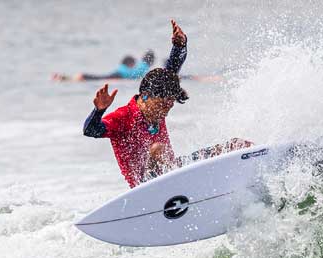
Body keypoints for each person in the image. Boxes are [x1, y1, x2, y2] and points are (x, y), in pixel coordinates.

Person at [83, 20, 251, 188]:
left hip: (173, 172)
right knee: (158, 150)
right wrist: (99, 111)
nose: (165, 112)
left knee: (236, 145)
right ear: (146, 96)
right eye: (162, 106)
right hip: (144, 188)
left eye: (169, 107)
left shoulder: (160, 97)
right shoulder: (123, 116)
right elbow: (90, 130)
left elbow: (170, 73)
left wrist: (180, 46)